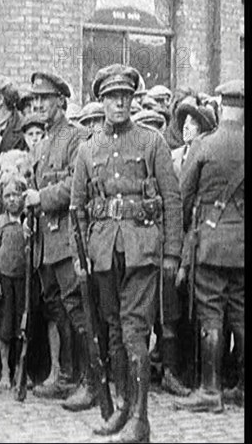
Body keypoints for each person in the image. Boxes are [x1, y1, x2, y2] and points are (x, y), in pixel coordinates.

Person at [70, 64, 182, 442]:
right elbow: (78, 209)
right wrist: (79, 259)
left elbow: (171, 199)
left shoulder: (152, 142)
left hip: (142, 250)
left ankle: (140, 419)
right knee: (114, 331)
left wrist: (172, 254)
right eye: (111, 96)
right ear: (101, 101)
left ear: (132, 100)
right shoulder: (88, 149)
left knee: (135, 331)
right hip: (103, 251)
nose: (119, 102)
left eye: (125, 96)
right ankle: (122, 407)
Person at [174, 80, 244, 412]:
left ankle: (211, 390)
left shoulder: (204, 146)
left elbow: (182, 198)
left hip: (211, 243)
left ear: (221, 105)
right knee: (242, 314)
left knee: (211, 314)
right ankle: (241, 387)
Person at [23, 71, 88, 404]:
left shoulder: (77, 138)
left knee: (77, 309)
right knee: (56, 309)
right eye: (35, 100)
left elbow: (77, 185)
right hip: (45, 242)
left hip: (68, 238)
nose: (38, 105)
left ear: (61, 101)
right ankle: (64, 375)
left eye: (44, 99)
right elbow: (33, 190)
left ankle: (90, 379)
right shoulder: (42, 144)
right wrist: (29, 212)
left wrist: (41, 198)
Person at [0, 175, 28, 389]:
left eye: (15, 195)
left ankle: (22, 371)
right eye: (7, 196)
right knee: (4, 326)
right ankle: (5, 370)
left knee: (23, 325)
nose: (12, 199)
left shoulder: (28, 220)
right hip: (4, 279)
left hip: (24, 281)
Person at [171, 102, 217, 179]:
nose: (185, 126)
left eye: (192, 123)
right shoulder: (173, 155)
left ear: (202, 128)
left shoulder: (209, 158)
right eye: (185, 122)